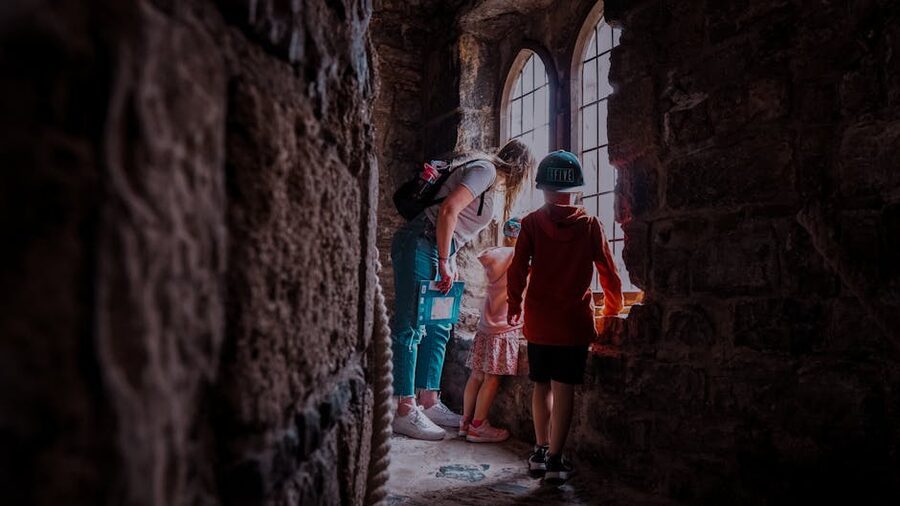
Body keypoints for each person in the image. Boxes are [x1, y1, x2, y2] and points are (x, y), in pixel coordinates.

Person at [390, 140, 534, 441]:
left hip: (441, 247)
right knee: (411, 326)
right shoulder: (485, 171)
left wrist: (449, 258)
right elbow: (448, 211)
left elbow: (456, 225)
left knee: (440, 325)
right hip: (421, 241)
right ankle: (404, 409)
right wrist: (444, 260)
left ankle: (428, 402)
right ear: (521, 169)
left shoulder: (489, 182)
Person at [507, 150, 623, 482]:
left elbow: (517, 272)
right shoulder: (589, 224)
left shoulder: (530, 223)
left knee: (540, 386)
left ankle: (540, 451)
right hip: (573, 325)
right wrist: (612, 309)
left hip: (539, 322)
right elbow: (609, 274)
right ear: (577, 189)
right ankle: (557, 460)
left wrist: (515, 305)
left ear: (542, 187)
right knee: (565, 390)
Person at [459, 217, 528, 443]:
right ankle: (478, 426)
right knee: (492, 378)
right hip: (504, 328)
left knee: (476, 374)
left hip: (485, 326)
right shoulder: (520, 260)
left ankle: (465, 422)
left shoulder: (493, 258)